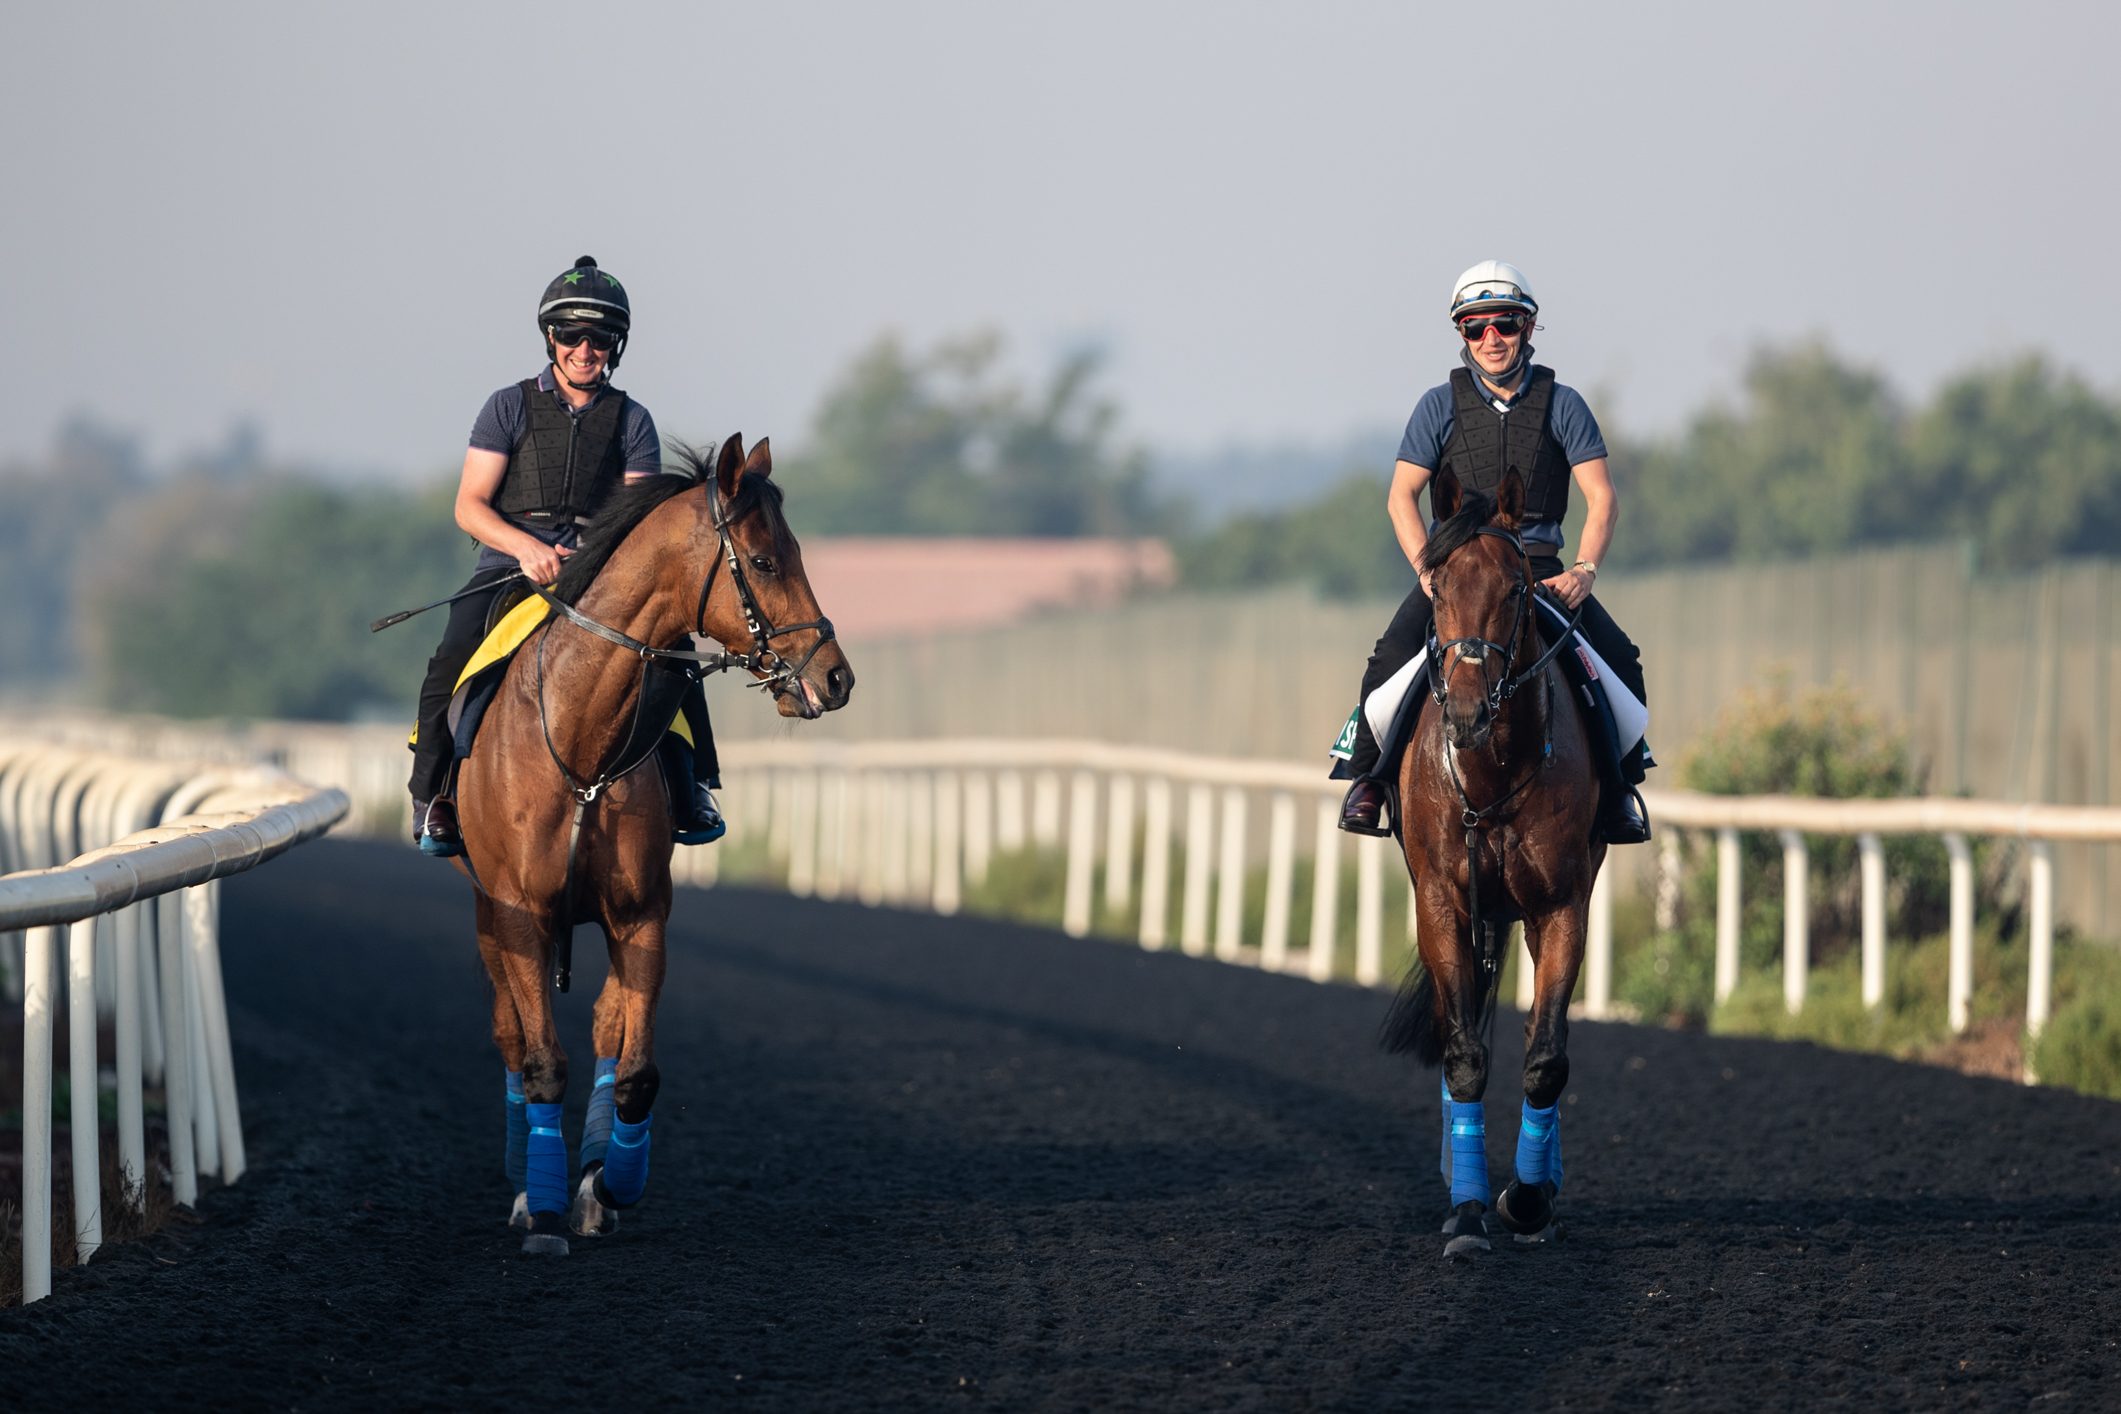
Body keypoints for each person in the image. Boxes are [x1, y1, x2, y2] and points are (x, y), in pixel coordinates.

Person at [408, 255, 724, 857]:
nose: (585, 349)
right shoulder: (507, 406)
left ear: (616, 345)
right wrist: (526, 547)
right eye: (572, 335)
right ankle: (434, 796)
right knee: (451, 658)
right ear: (550, 338)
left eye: (600, 338)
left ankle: (693, 787)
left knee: (676, 654)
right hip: (510, 562)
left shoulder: (634, 420)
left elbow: (636, 520)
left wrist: (585, 557)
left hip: (599, 568)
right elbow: (470, 506)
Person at [1335, 260, 1652, 844]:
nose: (1491, 339)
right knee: (1388, 659)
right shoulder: (1437, 406)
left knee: (1620, 662)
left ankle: (1620, 791)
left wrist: (1584, 571)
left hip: (1536, 572)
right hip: (1454, 572)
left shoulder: (1565, 404)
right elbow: (1401, 496)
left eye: (1503, 324)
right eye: (1476, 327)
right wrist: (1427, 572)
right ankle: (1368, 780)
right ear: (1462, 335)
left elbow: (1601, 498)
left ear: (1527, 328)